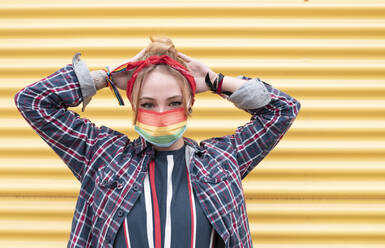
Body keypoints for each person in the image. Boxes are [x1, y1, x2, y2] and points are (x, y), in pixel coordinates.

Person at [14, 36, 301, 248]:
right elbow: (33, 102)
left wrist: (216, 81)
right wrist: (106, 78)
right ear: (134, 107)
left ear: (190, 105)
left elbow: (283, 109)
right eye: (148, 104)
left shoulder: (222, 160)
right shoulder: (102, 154)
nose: (161, 115)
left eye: (174, 102)